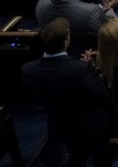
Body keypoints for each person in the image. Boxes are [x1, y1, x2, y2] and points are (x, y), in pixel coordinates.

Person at [21, 18, 112, 167]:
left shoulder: (27, 70)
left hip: (60, 126)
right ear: (66, 42)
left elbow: (31, 97)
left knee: (76, 159)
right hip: (91, 127)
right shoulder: (81, 69)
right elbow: (102, 94)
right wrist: (93, 69)